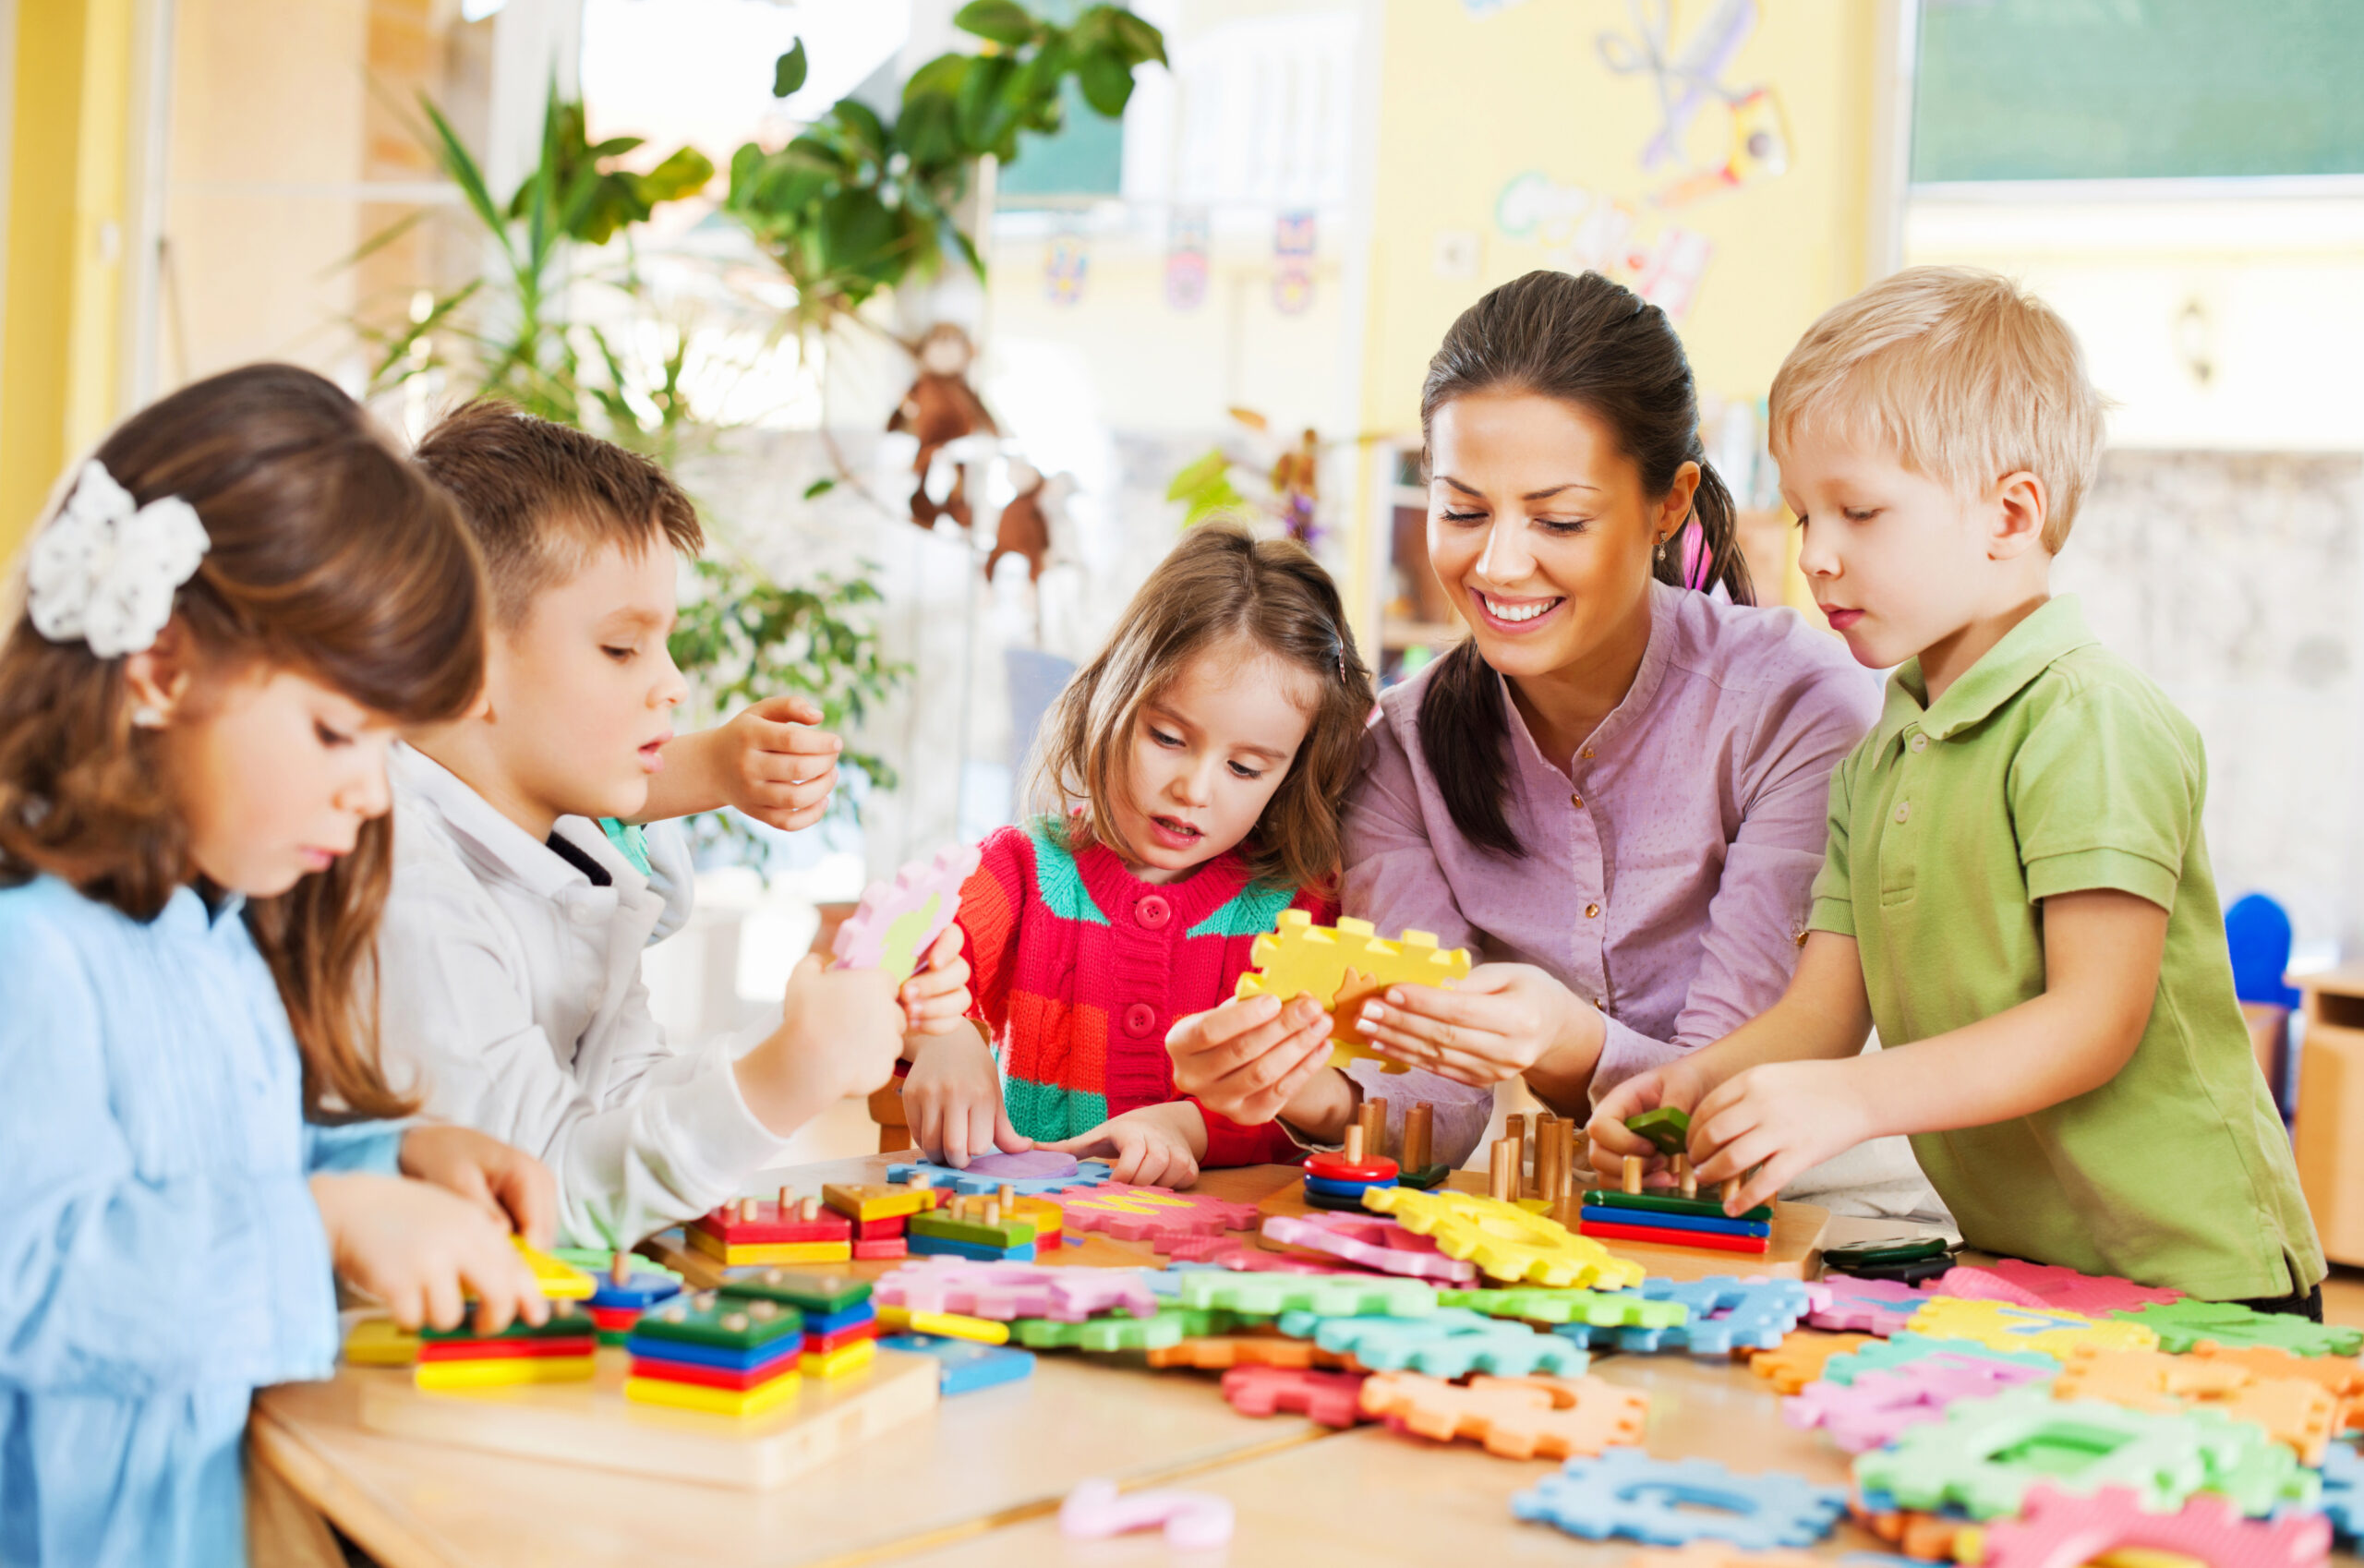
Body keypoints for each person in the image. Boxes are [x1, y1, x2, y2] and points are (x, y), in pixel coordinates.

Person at [1590, 267, 2324, 1308]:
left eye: (1860, 512)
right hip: (2024, 1271)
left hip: (2200, 1277)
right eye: (1804, 518)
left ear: (2009, 513)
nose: (1819, 560)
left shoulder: (2087, 719)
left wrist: (1848, 1102)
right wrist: (1697, 1082)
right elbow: (1821, 1016)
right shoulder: (1881, 752)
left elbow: (2092, 1021)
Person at [0, 365, 553, 1567]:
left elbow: (197, 1168)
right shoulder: (29, 954)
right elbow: (30, 1273)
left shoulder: (204, 926)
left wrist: (387, 1159)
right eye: (337, 732)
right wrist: (322, 1221)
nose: (370, 791)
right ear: (160, 664)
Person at [1184, 269, 1878, 1174]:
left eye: (1558, 520)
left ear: (1667, 504)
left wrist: (1569, 1042)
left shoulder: (1794, 707)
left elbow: (1741, 1085)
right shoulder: (1399, 754)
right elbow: (1425, 1101)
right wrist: (1296, 1089)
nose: (1500, 564)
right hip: (1577, 1225)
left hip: (1826, 1220)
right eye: (1461, 510)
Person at [377, 400, 970, 1248]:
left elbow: (621, 1102)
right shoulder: (406, 891)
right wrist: (788, 1071)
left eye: (665, 644)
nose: (674, 685)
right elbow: (543, 1193)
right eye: (623, 649)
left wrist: (818, 1027)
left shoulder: (581, 860)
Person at [906, 524, 1481, 1185]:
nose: (1194, 789)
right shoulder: (1024, 867)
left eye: (1244, 767)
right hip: (1032, 1241)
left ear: (1289, 776)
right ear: (1111, 696)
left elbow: (1301, 1091)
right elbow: (904, 947)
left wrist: (1188, 1125)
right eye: (1169, 737)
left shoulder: (1300, 911)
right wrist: (942, 1032)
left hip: (1223, 1254)